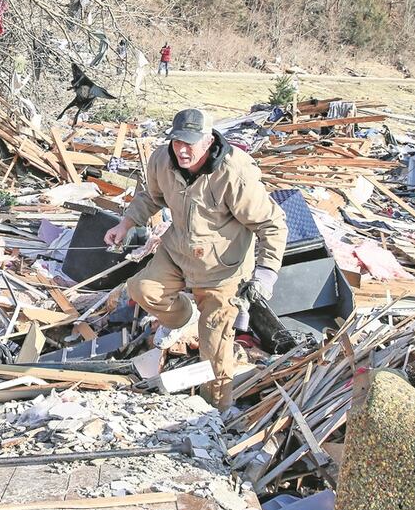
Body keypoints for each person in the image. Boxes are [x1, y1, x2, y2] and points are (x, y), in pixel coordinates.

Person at [104, 109, 287, 412]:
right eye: (177, 141)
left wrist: (266, 273)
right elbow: (151, 197)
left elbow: (272, 224)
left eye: (190, 142)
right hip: (178, 252)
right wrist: (124, 225)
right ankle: (184, 316)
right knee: (142, 289)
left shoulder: (234, 173)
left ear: (208, 140)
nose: (182, 149)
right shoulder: (162, 160)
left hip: (222, 269)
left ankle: (214, 412)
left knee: (214, 347)